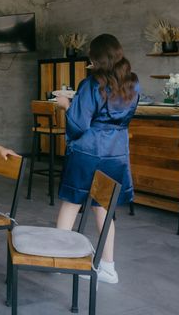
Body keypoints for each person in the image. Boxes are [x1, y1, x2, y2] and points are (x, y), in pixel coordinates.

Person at [55, 34, 139, 285]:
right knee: (104, 207)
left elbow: (80, 123)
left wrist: (66, 105)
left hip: (88, 152)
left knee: (71, 203)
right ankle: (109, 268)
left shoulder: (91, 84)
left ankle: (59, 260)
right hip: (116, 151)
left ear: (96, 57)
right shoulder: (132, 83)